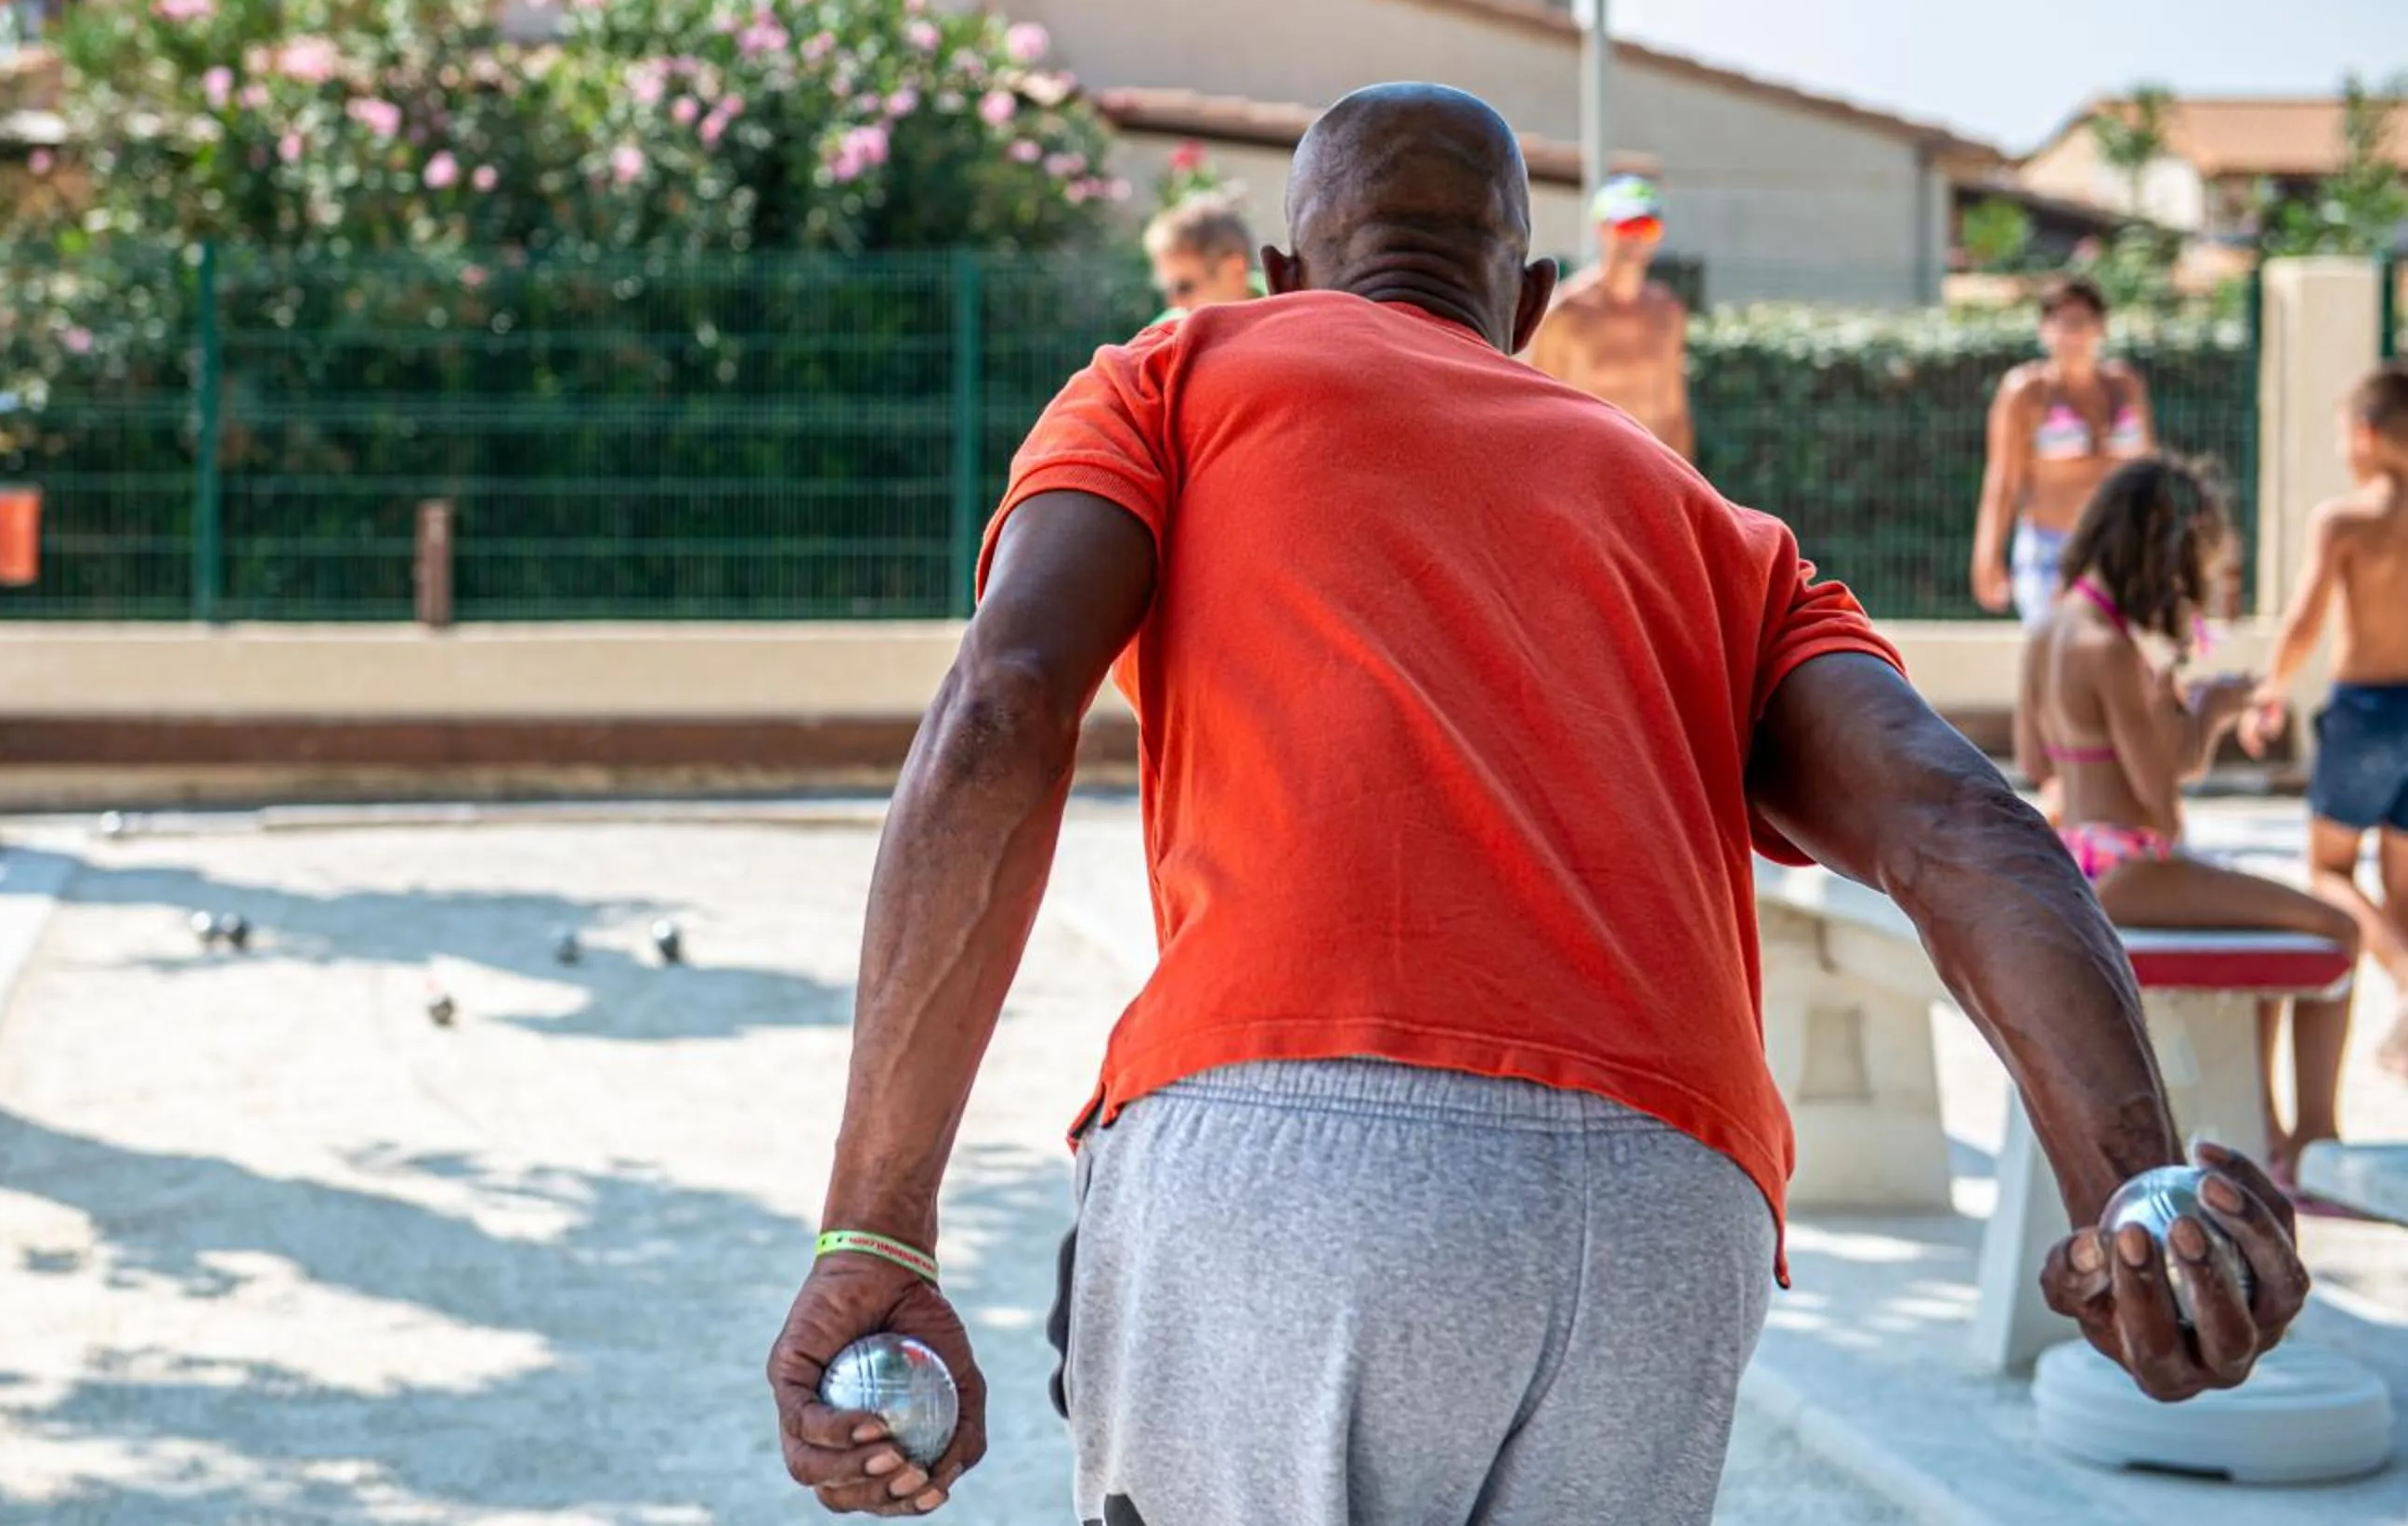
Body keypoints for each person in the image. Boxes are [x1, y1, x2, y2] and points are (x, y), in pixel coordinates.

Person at [768, 84, 2304, 1526]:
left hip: (1294, 1147)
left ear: (1289, 266)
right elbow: (1964, 826)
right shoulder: (1710, 526)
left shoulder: (1175, 374)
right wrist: (2138, 1201)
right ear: (1532, 299)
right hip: (1667, 1207)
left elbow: (1001, 706)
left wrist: (876, 1227)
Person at [2020, 455, 2385, 1184]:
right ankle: (2313, 1141)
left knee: (2270, 927)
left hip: (2085, 860)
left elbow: (2038, 762)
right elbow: (2163, 797)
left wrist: (2162, 716)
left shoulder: (2053, 627)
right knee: (2336, 928)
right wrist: (2205, 714)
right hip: (2133, 866)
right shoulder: (2112, 648)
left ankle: (2272, 1136)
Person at [2242, 361, 2408, 1073]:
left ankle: (2404, 981)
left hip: (2366, 712)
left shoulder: (2346, 520)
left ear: (2366, 434)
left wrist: (2268, 690)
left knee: (2329, 870)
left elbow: (2307, 616)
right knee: (2401, 885)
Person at [1973, 276, 2155, 626]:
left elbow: (2148, 472)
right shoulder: (2026, 392)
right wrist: (1987, 554)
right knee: (2056, 657)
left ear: (2101, 328)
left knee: (2118, 665)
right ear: (2044, 330)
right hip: (2050, 551)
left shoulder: (2126, 386)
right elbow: (2003, 482)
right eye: (2062, 324)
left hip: (2117, 548)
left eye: (2081, 323)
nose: (2072, 335)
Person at [1522, 173, 1694, 457]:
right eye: (1627, 224)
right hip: (1589, 475)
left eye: (1648, 225)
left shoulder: (1668, 314)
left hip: (1653, 474)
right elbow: (1538, 408)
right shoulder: (1566, 313)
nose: (1637, 235)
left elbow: (1675, 413)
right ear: (1601, 228)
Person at [1139, 195, 1258, 328]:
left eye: (1184, 287)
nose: (1175, 303)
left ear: (1234, 271)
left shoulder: (1282, 301)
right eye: (1169, 289)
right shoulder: (1166, 335)